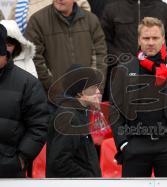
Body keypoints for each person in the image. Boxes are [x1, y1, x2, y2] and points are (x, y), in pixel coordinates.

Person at [109, 17, 167, 177]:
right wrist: (123, 144)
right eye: (146, 38)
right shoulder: (123, 69)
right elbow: (115, 110)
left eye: (155, 38)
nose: (150, 42)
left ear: (163, 39)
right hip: (135, 145)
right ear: (139, 40)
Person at [101, 0, 167, 100]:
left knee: (155, 109)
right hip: (122, 74)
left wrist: (159, 58)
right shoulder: (112, 8)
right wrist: (124, 59)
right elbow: (103, 41)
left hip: (155, 76)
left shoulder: (164, 9)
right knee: (120, 110)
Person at [24, 0, 107, 93]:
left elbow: (100, 56)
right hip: (53, 98)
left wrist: (94, 88)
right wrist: (55, 88)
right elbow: (34, 57)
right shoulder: (38, 20)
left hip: (86, 96)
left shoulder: (91, 20)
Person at [0, 24, 49, 178]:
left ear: (4, 53)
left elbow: (39, 125)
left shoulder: (28, 83)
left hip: (8, 171)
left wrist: (21, 159)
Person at [46, 64, 102, 177]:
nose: (98, 92)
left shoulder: (79, 113)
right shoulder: (69, 117)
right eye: (93, 87)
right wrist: (89, 179)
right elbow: (60, 163)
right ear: (80, 91)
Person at [8, 0, 91, 32]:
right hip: (26, 58)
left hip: (57, 54)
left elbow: (85, 19)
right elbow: (9, 29)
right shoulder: (20, 2)